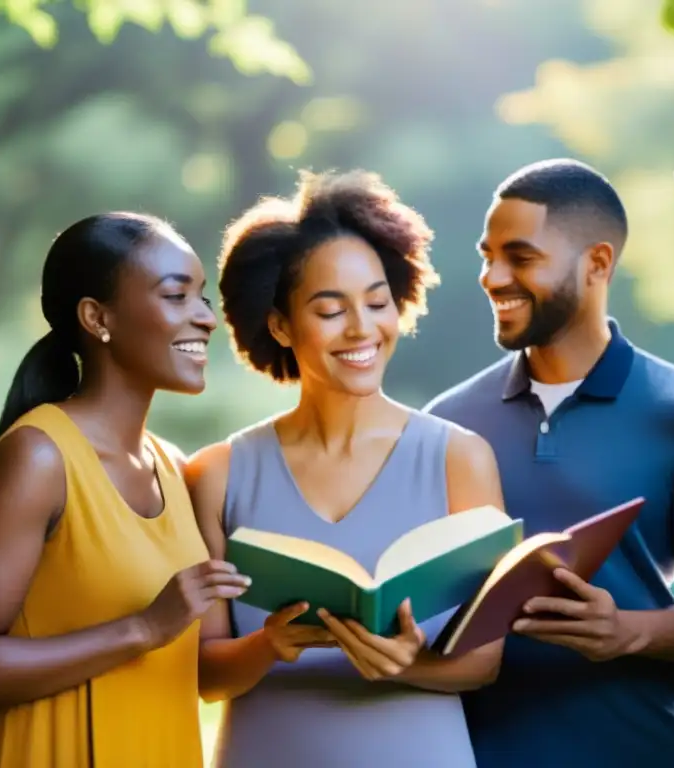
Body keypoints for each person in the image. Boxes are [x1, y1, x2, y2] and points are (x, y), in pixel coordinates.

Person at [424, 158, 674, 768]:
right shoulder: (448, 421)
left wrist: (628, 630)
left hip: (647, 751)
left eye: (520, 257)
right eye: (486, 255)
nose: (493, 277)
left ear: (598, 264)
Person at [185, 169, 505, 768]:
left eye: (378, 302)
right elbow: (206, 674)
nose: (363, 328)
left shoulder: (460, 459)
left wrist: (413, 664)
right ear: (281, 325)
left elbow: (485, 663)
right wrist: (268, 645)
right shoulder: (216, 475)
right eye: (330, 310)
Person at [0, 213, 248, 767]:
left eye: (202, 297)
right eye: (177, 296)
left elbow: (204, 676)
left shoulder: (175, 468)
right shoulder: (40, 456)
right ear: (96, 317)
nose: (206, 319)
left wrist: (278, 639)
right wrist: (142, 628)